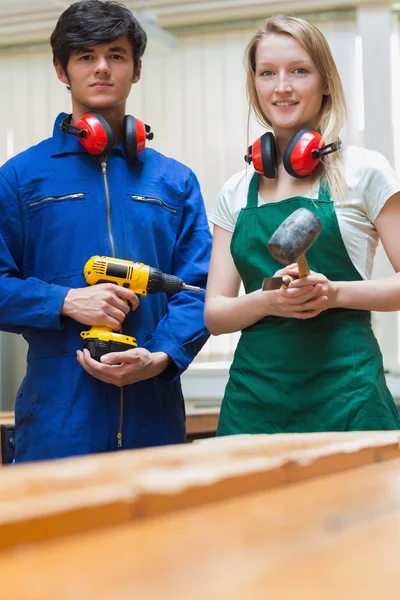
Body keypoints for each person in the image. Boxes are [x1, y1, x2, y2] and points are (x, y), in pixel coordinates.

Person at [0, 0, 211, 462]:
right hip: (58, 418)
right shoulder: (20, 177)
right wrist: (65, 300)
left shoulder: (174, 181)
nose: (101, 68)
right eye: (85, 56)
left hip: (153, 410)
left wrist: (161, 357)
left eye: (116, 55)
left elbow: (198, 286)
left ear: (136, 70)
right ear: (62, 70)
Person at [205, 15, 400, 435]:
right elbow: (216, 314)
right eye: (267, 73)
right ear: (255, 85)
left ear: (325, 81)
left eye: (299, 70)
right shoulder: (236, 191)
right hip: (253, 404)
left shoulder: (365, 172)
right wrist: (268, 302)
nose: (282, 86)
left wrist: (333, 293)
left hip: (347, 397)